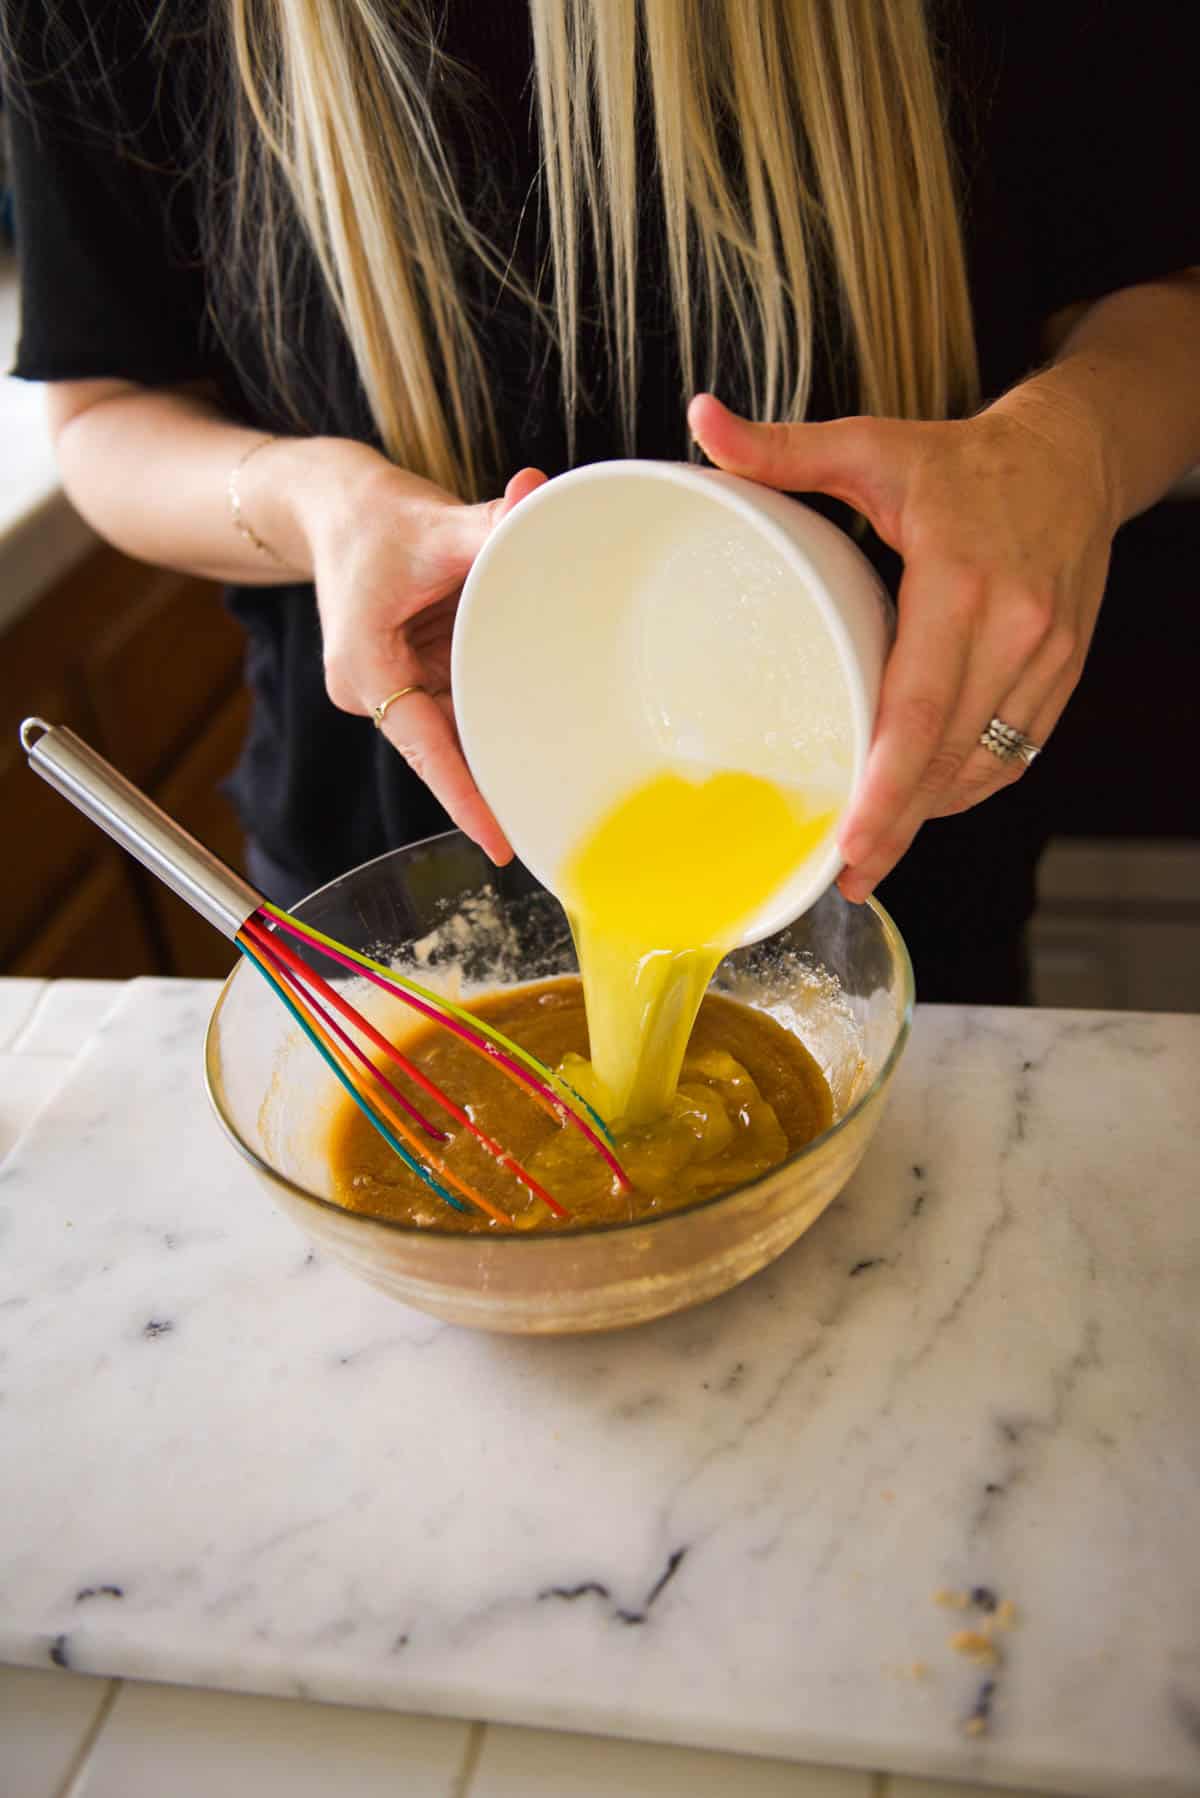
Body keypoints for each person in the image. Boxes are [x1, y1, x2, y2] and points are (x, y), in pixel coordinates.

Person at [5, 2, 1199, 1002]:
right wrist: (310, 501)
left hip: (900, 886)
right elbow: (104, 408)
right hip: (390, 886)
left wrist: (1070, 450)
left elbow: (1166, 287)